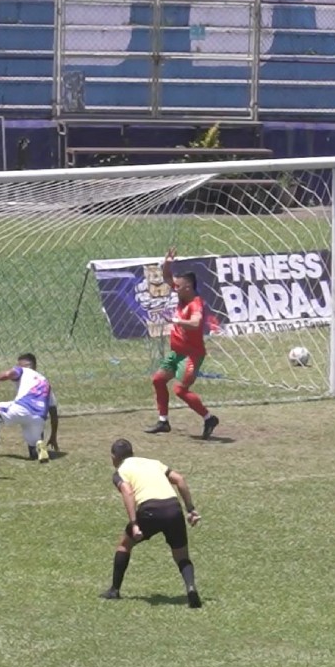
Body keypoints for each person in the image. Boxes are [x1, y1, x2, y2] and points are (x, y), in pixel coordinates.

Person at [100, 439, 202, 608]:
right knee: (182, 555)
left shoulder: (120, 471)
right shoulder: (153, 463)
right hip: (173, 508)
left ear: (114, 457)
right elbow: (179, 479)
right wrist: (190, 509)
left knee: (124, 545)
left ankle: (114, 590)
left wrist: (134, 523)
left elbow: (127, 492)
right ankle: (190, 587)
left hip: (150, 510)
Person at [144, 247, 219, 440]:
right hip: (177, 353)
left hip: (192, 355)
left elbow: (195, 323)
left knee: (180, 390)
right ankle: (163, 421)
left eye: (178, 286)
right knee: (158, 380)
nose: (174, 288)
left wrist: (177, 321)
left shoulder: (195, 303)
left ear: (188, 287)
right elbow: (168, 276)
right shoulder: (181, 296)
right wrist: (168, 262)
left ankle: (209, 418)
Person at [0, 353, 59, 463]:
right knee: (34, 444)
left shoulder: (23, 370)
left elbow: (10, 373)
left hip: (22, 409)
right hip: (39, 418)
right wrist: (53, 435)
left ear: (25, 365)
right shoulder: (45, 382)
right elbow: (53, 412)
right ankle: (38, 446)